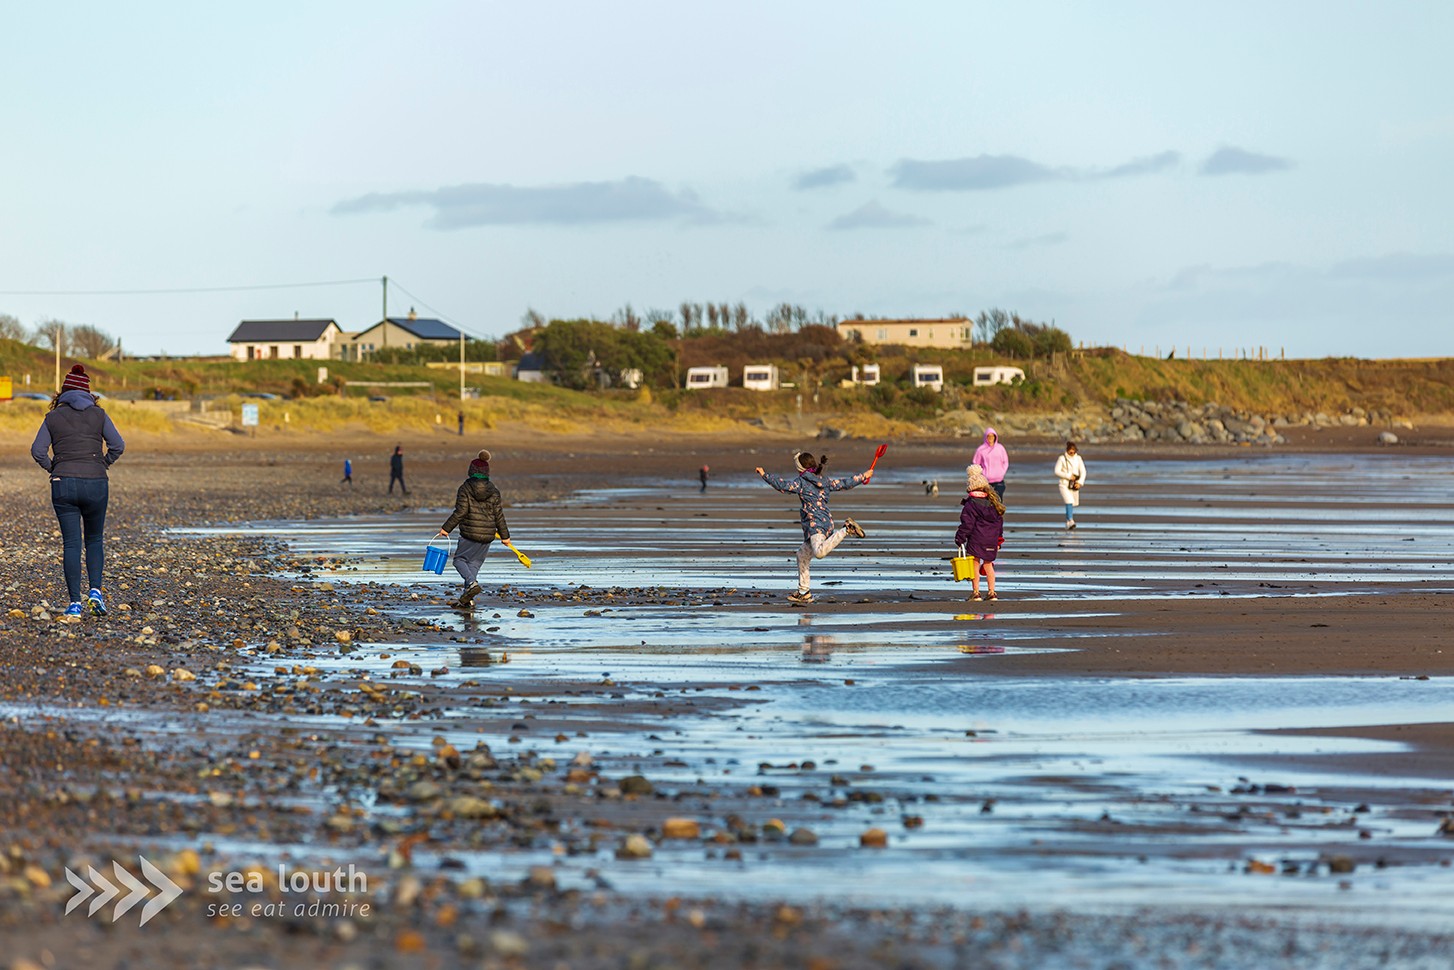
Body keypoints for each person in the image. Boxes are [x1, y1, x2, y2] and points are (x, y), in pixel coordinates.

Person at [30, 364, 125, 617]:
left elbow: (37, 451)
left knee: (71, 543)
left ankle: (74, 604)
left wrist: (54, 468)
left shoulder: (52, 418)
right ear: (88, 392)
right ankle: (96, 592)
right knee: (94, 540)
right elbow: (118, 445)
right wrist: (102, 464)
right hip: (96, 482)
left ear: (63, 392)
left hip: (64, 484)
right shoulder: (99, 414)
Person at [755, 449, 872, 605]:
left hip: (815, 524)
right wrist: (863, 476)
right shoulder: (824, 480)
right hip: (826, 522)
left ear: (801, 468)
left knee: (819, 553)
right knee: (802, 555)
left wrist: (764, 475)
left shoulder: (801, 482)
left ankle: (847, 529)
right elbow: (845, 483)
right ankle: (804, 592)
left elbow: (782, 485)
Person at [436, 449, 514, 609]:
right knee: (474, 564)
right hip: (487, 535)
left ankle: (471, 584)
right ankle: (468, 598)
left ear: (471, 471)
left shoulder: (465, 488)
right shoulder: (493, 490)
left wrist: (446, 528)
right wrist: (505, 536)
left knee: (459, 561)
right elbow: (499, 515)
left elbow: (461, 512)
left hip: (469, 533)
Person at [955, 463, 1005, 601]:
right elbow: (999, 524)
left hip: (977, 539)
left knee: (974, 565)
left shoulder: (971, 505)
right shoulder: (994, 504)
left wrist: (960, 538)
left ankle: (976, 592)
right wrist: (999, 540)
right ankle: (992, 592)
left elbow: (967, 524)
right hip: (991, 540)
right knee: (988, 566)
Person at [1054, 441, 1087, 529]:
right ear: (1067, 450)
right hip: (1064, 484)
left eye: (1073, 450)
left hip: (1074, 484)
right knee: (1069, 501)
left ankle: (1068, 523)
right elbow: (1056, 471)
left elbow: (1083, 471)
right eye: (1070, 450)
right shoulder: (1061, 458)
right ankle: (1071, 520)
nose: (1072, 452)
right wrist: (1068, 476)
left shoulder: (1078, 458)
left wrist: (1080, 482)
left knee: (1072, 502)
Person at [971, 427, 1009, 500]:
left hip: (999, 479)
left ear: (995, 437)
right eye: (988, 436)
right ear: (985, 437)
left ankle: (997, 511)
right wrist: (980, 475)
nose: (990, 438)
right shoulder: (981, 449)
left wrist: (1002, 472)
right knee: (987, 500)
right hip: (986, 480)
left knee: (998, 498)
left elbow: (1005, 462)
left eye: (992, 436)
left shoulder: (1000, 448)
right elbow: (976, 464)